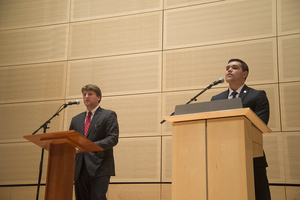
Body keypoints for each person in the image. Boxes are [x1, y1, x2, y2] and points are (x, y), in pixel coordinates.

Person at [211, 59, 271, 200]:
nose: (229, 70)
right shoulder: (216, 99)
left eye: (234, 67)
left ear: (244, 74)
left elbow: (260, 125)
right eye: (227, 68)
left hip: (251, 156)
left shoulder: (257, 95)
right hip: (222, 158)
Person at [69, 84, 119, 200]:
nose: (86, 97)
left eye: (90, 94)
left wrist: (90, 146)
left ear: (99, 97)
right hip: (80, 168)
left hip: (100, 166)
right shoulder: (76, 119)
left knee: (98, 197)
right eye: (84, 94)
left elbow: (113, 138)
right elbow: (71, 141)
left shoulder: (108, 115)